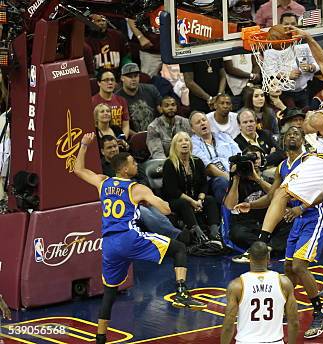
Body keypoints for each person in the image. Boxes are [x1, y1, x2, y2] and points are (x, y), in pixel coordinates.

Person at [73, 133, 204, 344]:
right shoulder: (136, 188)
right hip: (129, 237)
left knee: (110, 291)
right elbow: (165, 209)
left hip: (108, 244)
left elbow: (78, 169)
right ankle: (181, 290)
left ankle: (100, 337)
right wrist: (154, 203)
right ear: (125, 168)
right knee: (179, 248)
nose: (137, 166)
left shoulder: (102, 182)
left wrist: (83, 146)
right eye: (134, 163)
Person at [256, 26, 323, 298]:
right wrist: (309, 38)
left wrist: (278, 103)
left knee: (282, 191)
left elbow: (303, 128)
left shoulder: (322, 118)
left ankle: (262, 241)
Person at [235, 127, 323, 338]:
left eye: (296, 134)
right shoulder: (282, 166)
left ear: (302, 141)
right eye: (288, 134)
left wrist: (301, 208)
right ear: (282, 141)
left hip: (315, 216)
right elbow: (273, 197)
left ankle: (320, 313)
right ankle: (286, 311)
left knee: (299, 265)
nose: (292, 136)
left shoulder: (309, 159)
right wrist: (250, 206)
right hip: (298, 221)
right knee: (289, 268)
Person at [220, 241, 298, 344]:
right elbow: (294, 322)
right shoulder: (284, 283)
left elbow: (229, 325)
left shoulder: (237, 285)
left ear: (249, 258)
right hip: (275, 341)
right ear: (268, 258)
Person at [161, 132, 222, 246]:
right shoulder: (169, 163)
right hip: (175, 200)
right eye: (180, 141)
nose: (184, 143)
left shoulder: (197, 161)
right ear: (174, 146)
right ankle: (197, 233)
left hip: (195, 198)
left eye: (187, 140)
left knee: (210, 200)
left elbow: (204, 184)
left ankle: (214, 231)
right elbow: (172, 190)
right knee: (183, 203)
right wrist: (192, 202)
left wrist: (200, 199)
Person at [92, 70, 130, 138]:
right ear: (99, 83)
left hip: (119, 139)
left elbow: (126, 126)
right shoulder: (92, 102)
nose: (110, 82)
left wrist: (121, 140)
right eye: (106, 80)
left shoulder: (122, 100)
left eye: (112, 80)